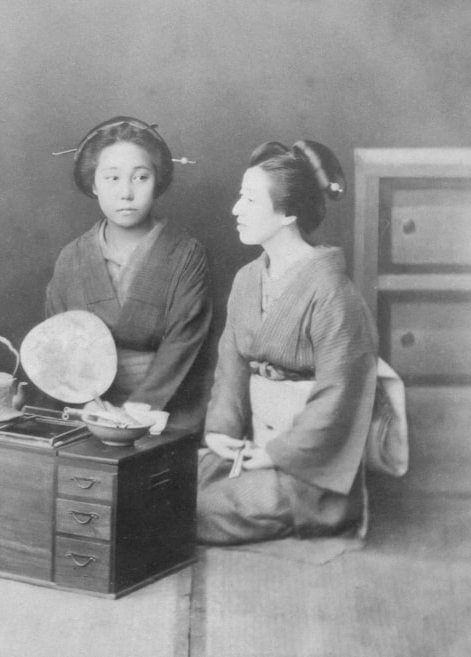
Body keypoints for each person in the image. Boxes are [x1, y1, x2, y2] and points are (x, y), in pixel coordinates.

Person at [197, 140, 379, 545]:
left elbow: (340, 395)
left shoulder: (332, 291)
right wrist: (221, 432)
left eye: (249, 199)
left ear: (289, 214)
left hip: (309, 462)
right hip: (254, 440)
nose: (235, 210)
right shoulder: (247, 279)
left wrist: (279, 453)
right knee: (165, 489)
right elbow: (231, 365)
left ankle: (327, 510)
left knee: (195, 511)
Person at [45, 116, 212, 432]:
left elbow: (182, 345)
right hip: (88, 413)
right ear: (93, 184)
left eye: (140, 177)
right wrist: (87, 404)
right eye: (111, 178)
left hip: (162, 412)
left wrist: (132, 413)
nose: (126, 192)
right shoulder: (71, 258)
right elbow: (57, 345)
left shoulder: (186, 254)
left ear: (157, 181)